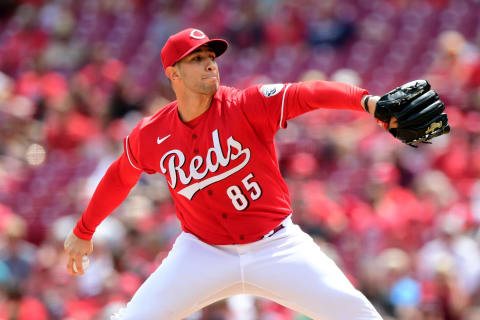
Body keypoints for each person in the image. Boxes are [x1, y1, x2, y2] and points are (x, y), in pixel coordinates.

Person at [64, 28, 397, 320]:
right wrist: (83, 230)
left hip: (276, 246)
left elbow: (308, 93)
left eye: (211, 56)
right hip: (202, 252)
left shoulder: (245, 105)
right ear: (173, 73)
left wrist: (368, 102)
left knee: (357, 314)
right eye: (196, 59)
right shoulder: (152, 133)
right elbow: (121, 175)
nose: (210, 63)